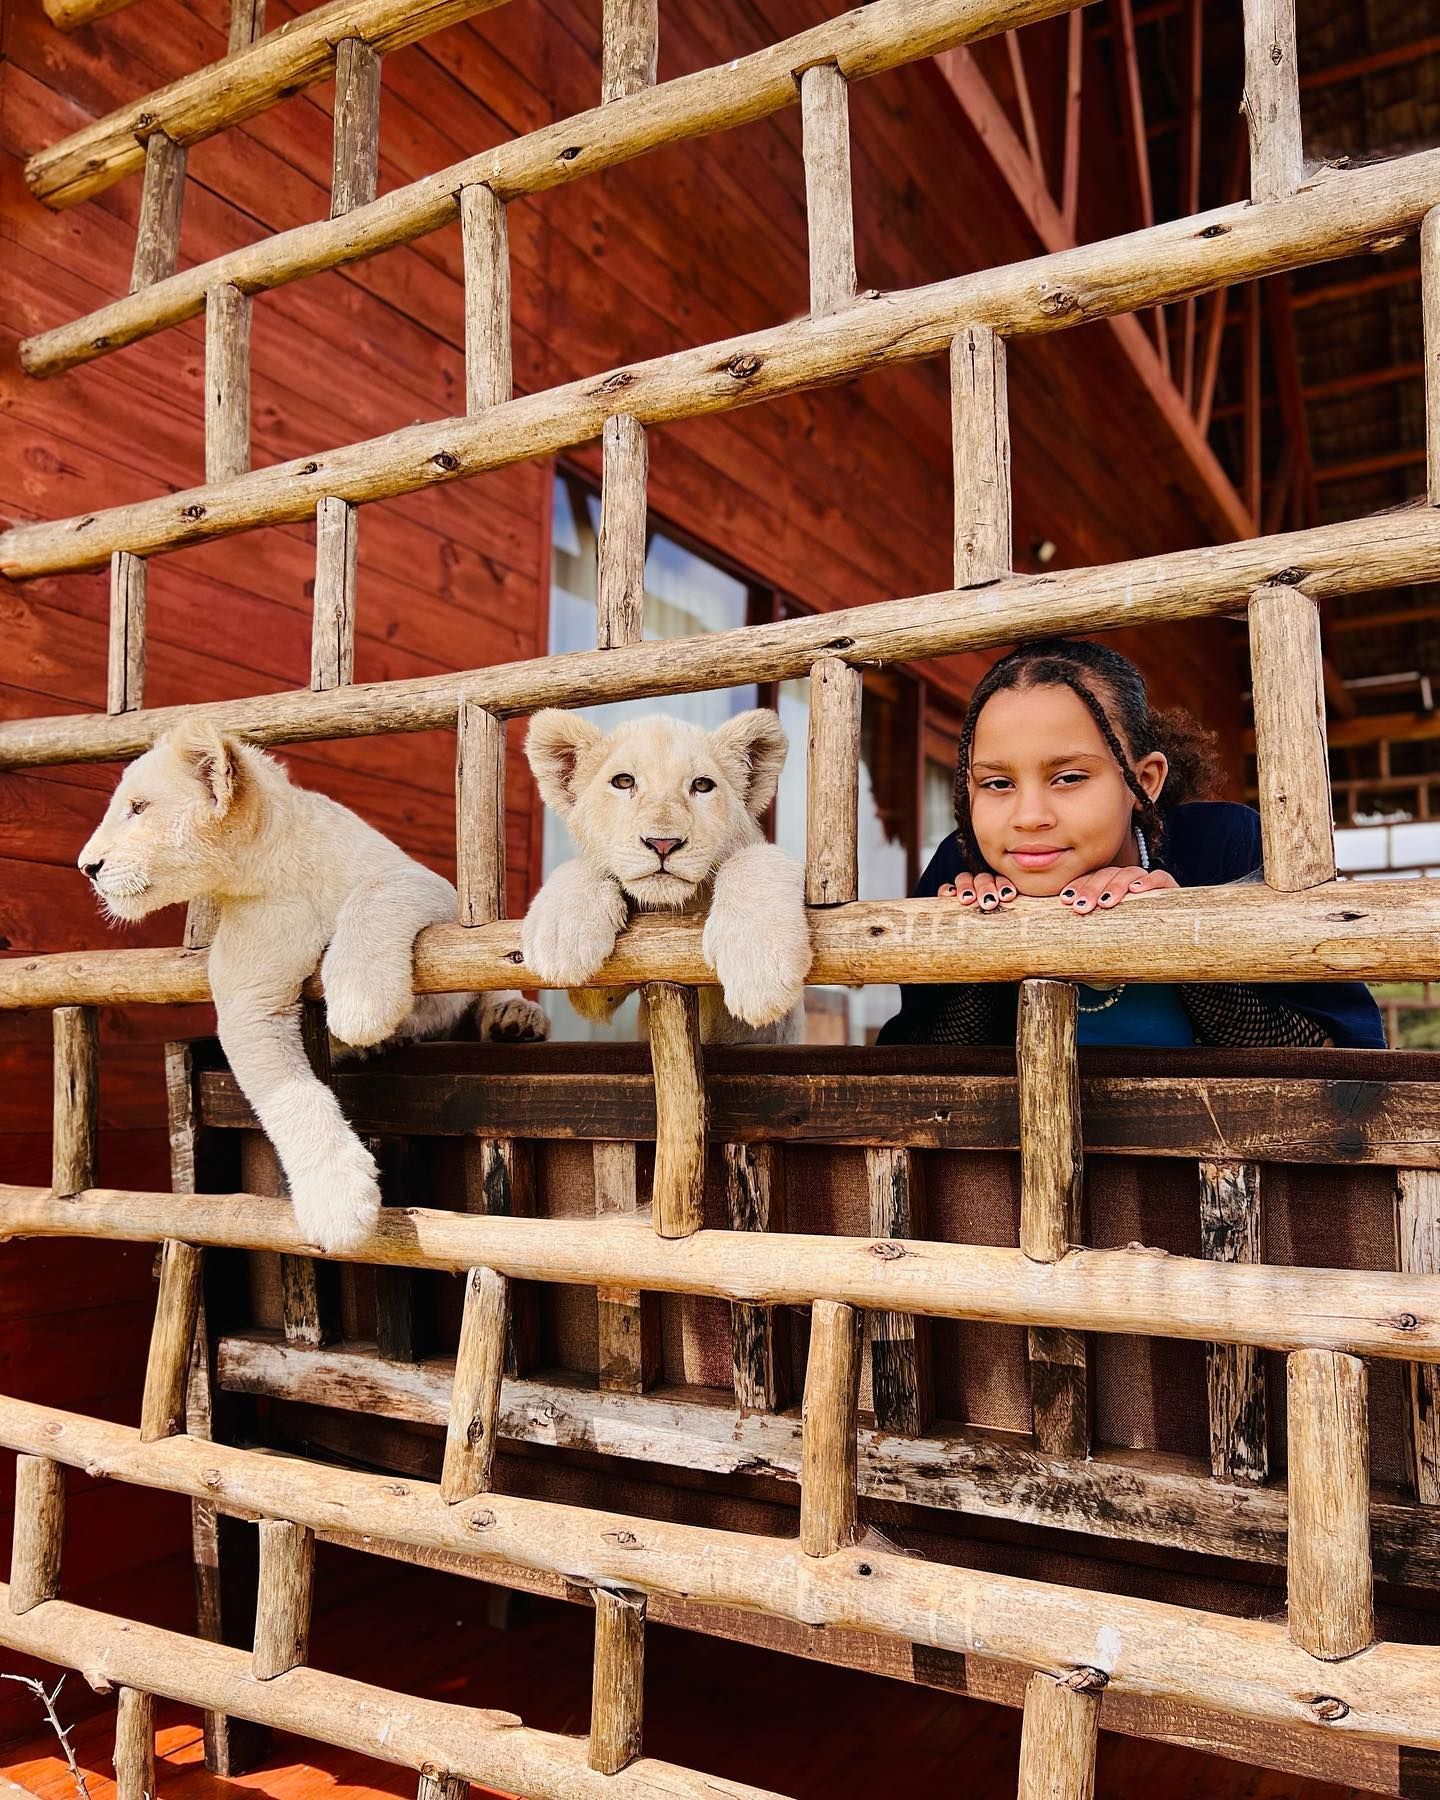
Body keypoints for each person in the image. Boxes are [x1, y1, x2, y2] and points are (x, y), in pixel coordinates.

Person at [878, 638, 1385, 1049]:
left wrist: (1176, 933)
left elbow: (1334, 1051)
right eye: (997, 783)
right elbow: (918, 1061)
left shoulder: (1225, 847)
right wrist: (988, 944)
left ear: (1143, 781)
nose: (1029, 817)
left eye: (1069, 777)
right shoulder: (962, 862)